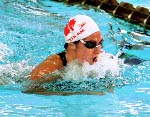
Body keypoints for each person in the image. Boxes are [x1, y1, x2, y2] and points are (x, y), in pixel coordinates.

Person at [29, 15, 103, 82]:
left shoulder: (102, 61)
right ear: (72, 45)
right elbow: (29, 89)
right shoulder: (49, 70)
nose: (98, 51)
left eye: (100, 43)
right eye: (91, 44)